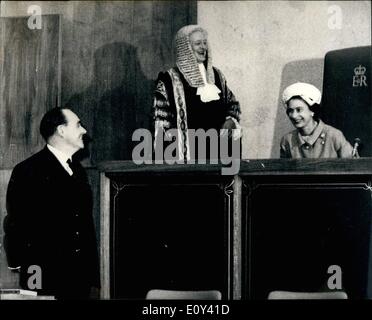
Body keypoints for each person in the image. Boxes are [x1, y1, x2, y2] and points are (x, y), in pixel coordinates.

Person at [3, 107, 100, 299]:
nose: (84, 131)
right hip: (45, 281)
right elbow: (16, 226)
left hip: (78, 281)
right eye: (78, 125)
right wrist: (32, 286)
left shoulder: (78, 171)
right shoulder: (27, 171)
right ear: (61, 130)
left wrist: (92, 277)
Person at [152, 25, 241, 161]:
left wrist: (230, 120)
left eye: (205, 43)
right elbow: (161, 124)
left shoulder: (217, 76)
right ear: (185, 48)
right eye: (198, 43)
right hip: (186, 157)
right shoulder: (168, 80)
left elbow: (233, 104)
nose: (203, 47)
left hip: (218, 154)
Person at [280, 82, 354, 158]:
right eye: (290, 111)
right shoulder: (287, 140)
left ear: (312, 111)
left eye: (299, 110)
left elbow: (354, 166)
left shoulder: (334, 135)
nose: (294, 116)